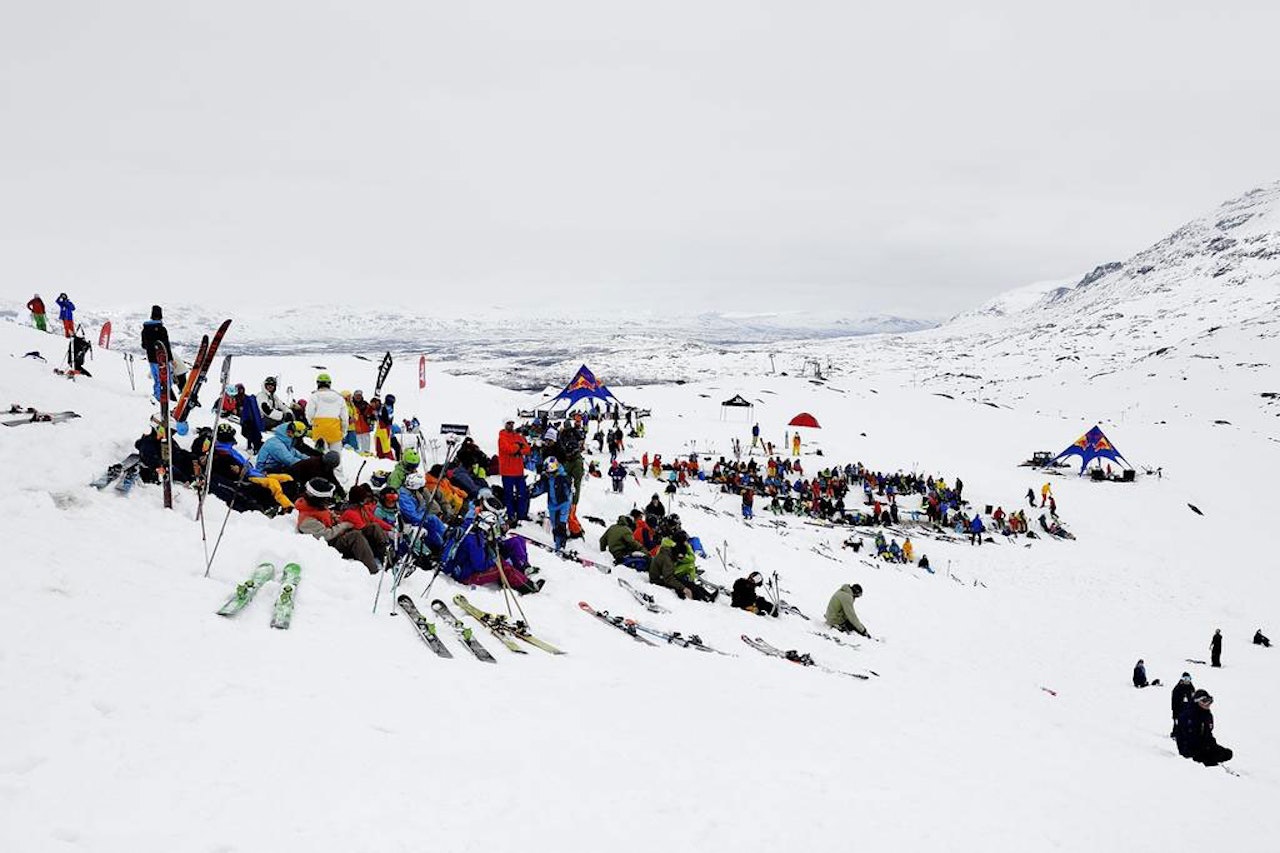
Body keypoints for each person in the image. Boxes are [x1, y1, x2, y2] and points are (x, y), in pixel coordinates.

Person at [295, 478, 387, 574]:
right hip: (330, 545)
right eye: (326, 498)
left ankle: (386, 557)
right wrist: (344, 525)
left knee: (373, 527)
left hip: (339, 535)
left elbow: (328, 514)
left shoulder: (317, 506)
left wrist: (336, 518)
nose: (328, 501)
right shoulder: (306, 520)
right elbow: (325, 535)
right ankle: (373, 571)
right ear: (317, 498)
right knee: (355, 536)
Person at [1174, 690, 1233, 766]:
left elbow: (1208, 733)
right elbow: (1189, 739)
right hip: (1190, 749)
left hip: (1203, 746)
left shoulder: (1207, 714)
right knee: (1211, 762)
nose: (1208, 704)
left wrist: (1213, 746)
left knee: (1227, 754)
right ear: (1196, 702)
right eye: (1204, 701)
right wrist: (1206, 751)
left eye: (1209, 701)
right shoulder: (1189, 716)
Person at [497, 418, 532, 524]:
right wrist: (518, 446)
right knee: (509, 495)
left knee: (522, 493)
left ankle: (522, 515)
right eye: (509, 424)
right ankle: (511, 515)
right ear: (504, 425)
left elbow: (528, 450)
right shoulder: (502, 437)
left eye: (512, 423)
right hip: (507, 472)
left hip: (518, 471)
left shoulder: (518, 436)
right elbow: (509, 449)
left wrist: (517, 449)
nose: (511, 426)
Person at [306, 373, 348, 450]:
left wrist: (312, 423)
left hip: (319, 430)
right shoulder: (339, 397)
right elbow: (344, 418)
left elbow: (309, 413)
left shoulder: (314, 396)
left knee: (319, 455)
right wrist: (343, 432)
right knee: (335, 456)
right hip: (335, 431)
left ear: (318, 383)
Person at [140, 305, 173, 401]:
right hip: (163, 359)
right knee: (166, 380)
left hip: (151, 358)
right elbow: (166, 345)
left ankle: (156, 397)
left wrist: (151, 347)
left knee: (157, 379)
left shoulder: (145, 330)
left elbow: (143, 345)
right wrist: (170, 359)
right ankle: (161, 398)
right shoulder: (162, 329)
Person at [542, 456, 574, 551]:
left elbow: (568, 492)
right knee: (555, 526)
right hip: (552, 505)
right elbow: (541, 487)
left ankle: (561, 546)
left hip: (563, 504)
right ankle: (557, 543)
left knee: (561, 525)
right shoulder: (548, 478)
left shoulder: (563, 477)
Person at [1170, 672, 1195, 737]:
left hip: (1188, 709)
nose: (1187, 680)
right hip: (1179, 709)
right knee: (1178, 723)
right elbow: (1174, 702)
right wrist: (1174, 712)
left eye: (1188, 679)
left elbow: (1194, 699)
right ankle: (1175, 734)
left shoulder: (1191, 688)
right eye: (1185, 679)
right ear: (1182, 679)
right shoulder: (1177, 689)